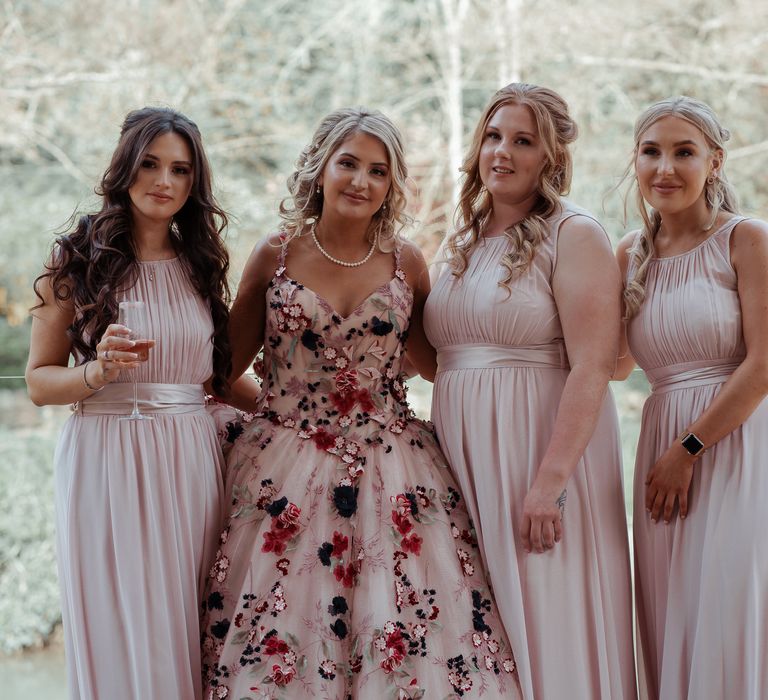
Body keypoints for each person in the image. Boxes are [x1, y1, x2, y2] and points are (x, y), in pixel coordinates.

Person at [199, 107, 522, 698]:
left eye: (378, 171)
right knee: (282, 634)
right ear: (320, 169)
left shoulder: (408, 263)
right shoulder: (276, 255)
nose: (361, 181)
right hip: (282, 476)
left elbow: (440, 365)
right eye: (348, 164)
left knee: (405, 629)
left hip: (395, 469)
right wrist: (280, 412)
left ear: (391, 185)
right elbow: (223, 372)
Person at [25, 106, 251, 700]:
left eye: (180, 170)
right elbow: (40, 382)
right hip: (106, 458)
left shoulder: (203, 266)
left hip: (189, 460)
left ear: (194, 184)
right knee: (120, 618)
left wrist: (312, 411)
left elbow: (218, 379)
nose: (164, 181)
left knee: (188, 618)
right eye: (150, 164)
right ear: (124, 166)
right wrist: (96, 372)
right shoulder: (76, 261)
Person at [423, 83, 636, 699]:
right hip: (462, 451)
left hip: (540, 451)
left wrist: (550, 483)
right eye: (493, 136)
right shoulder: (461, 238)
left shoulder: (575, 234)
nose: (502, 153)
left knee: (546, 608)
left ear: (551, 156)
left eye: (523, 141)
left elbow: (594, 366)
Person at [614, 95, 768, 699]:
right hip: (660, 448)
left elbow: (763, 365)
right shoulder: (628, 255)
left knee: (729, 607)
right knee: (670, 608)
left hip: (733, 444)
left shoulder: (745, 240)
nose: (666, 168)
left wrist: (689, 448)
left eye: (685, 152)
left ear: (715, 162)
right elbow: (614, 365)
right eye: (651, 152)